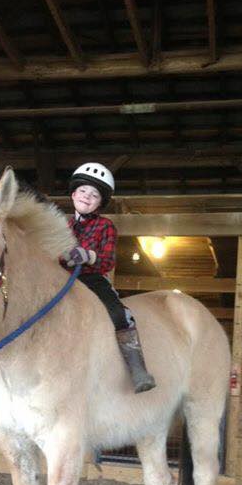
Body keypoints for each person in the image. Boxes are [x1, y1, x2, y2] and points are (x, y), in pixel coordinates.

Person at [64, 162, 156, 393]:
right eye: (83, 191)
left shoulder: (105, 226)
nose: (87, 196)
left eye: (94, 195)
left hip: (93, 280)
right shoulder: (62, 226)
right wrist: (61, 257)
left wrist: (88, 255)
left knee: (119, 313)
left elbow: (108, 261)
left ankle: (137, 369)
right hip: (63, 280)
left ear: (100, 203)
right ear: (73, 194)